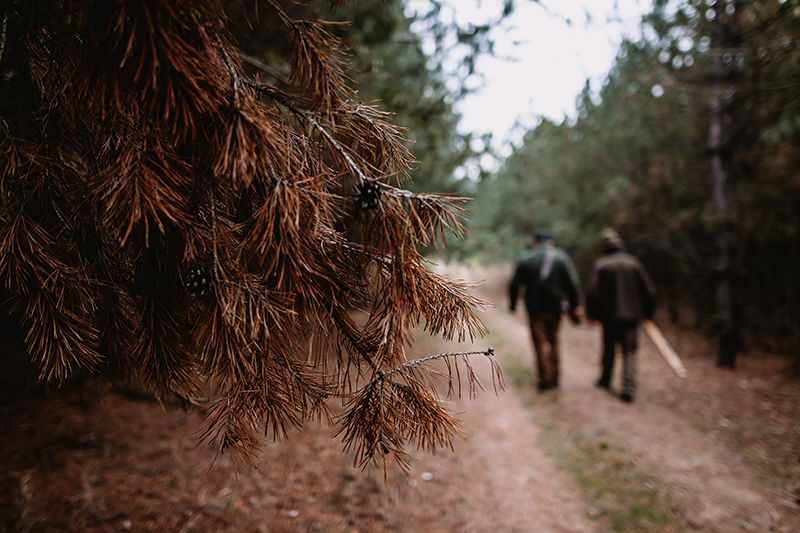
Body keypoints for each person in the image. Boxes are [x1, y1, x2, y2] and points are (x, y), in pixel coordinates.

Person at [585, 228, 656, 403]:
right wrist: (649, 313)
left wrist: (592, 314)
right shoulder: (634, 263)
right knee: (629, 352)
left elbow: (593, 293)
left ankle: (605, 379)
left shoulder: (601, 265)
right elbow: (649, 290)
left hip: (610, 317)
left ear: (604, 249)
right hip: (632, 317)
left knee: (609, 349)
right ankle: (628, 389)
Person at [509, 229, 582, 391]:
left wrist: (513, 305)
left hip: (535, 309)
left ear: (535, 241)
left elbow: (514, 284)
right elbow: (572, 283)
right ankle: (555, 378)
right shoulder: (561, 257)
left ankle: (545, 380)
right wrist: (575, 305)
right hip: (555, 309)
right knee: (554, 341)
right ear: (551, 242)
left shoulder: (527, 258)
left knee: (539, 344)